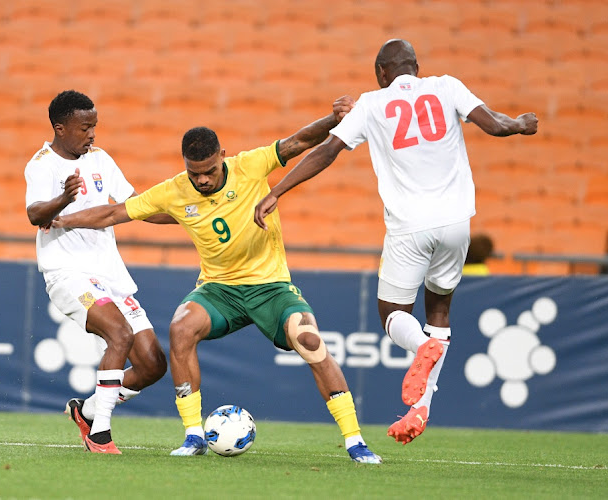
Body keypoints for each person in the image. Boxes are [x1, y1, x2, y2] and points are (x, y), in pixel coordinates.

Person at [50, 108, 382, 463]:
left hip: (270, 286)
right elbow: (115, 213)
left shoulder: (250, 165)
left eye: (210, 170)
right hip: (218, 290)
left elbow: (299, 141)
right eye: (196, 173)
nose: (204, 179)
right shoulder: (174, 190)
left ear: (222, 156)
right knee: (180, 327)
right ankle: (193, 436)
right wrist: (61, 219)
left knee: (311, 341)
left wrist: (334, 119)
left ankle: (355, 441)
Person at [254, 39, 538, 445]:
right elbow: (495, 124)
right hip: (458, 224)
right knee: (438, 309)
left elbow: (328, 151)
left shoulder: (371, 104)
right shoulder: (446, 86)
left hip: (410, 227)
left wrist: (278, 190)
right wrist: (522, 124)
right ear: (416, 68)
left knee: (392, 314)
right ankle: (421, 407)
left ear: (381, 75)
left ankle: (421, 348)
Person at [24, 90, 173, 454]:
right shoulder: (41, 165)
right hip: (68, 273)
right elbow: (35, 215)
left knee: (153, 364)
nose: (92, 134)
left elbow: (134, 206)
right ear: (61, 128)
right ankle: (99, 434)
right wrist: (63, 198)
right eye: (84, 127)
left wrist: (185, 215)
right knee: (118, 335)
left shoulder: (100, 159)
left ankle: (88, 410)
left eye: (94, 126)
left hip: (109, 274)